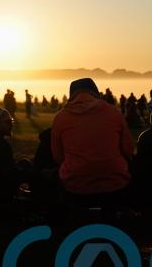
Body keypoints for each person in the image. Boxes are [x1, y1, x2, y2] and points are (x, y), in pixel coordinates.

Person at [51, 78, 134, 208]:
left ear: (71, 96)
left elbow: (58, 157)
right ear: (96, 93)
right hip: (115, 182)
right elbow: (128, 150)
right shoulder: (114, 113)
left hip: (74, 184)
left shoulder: (61, 117)